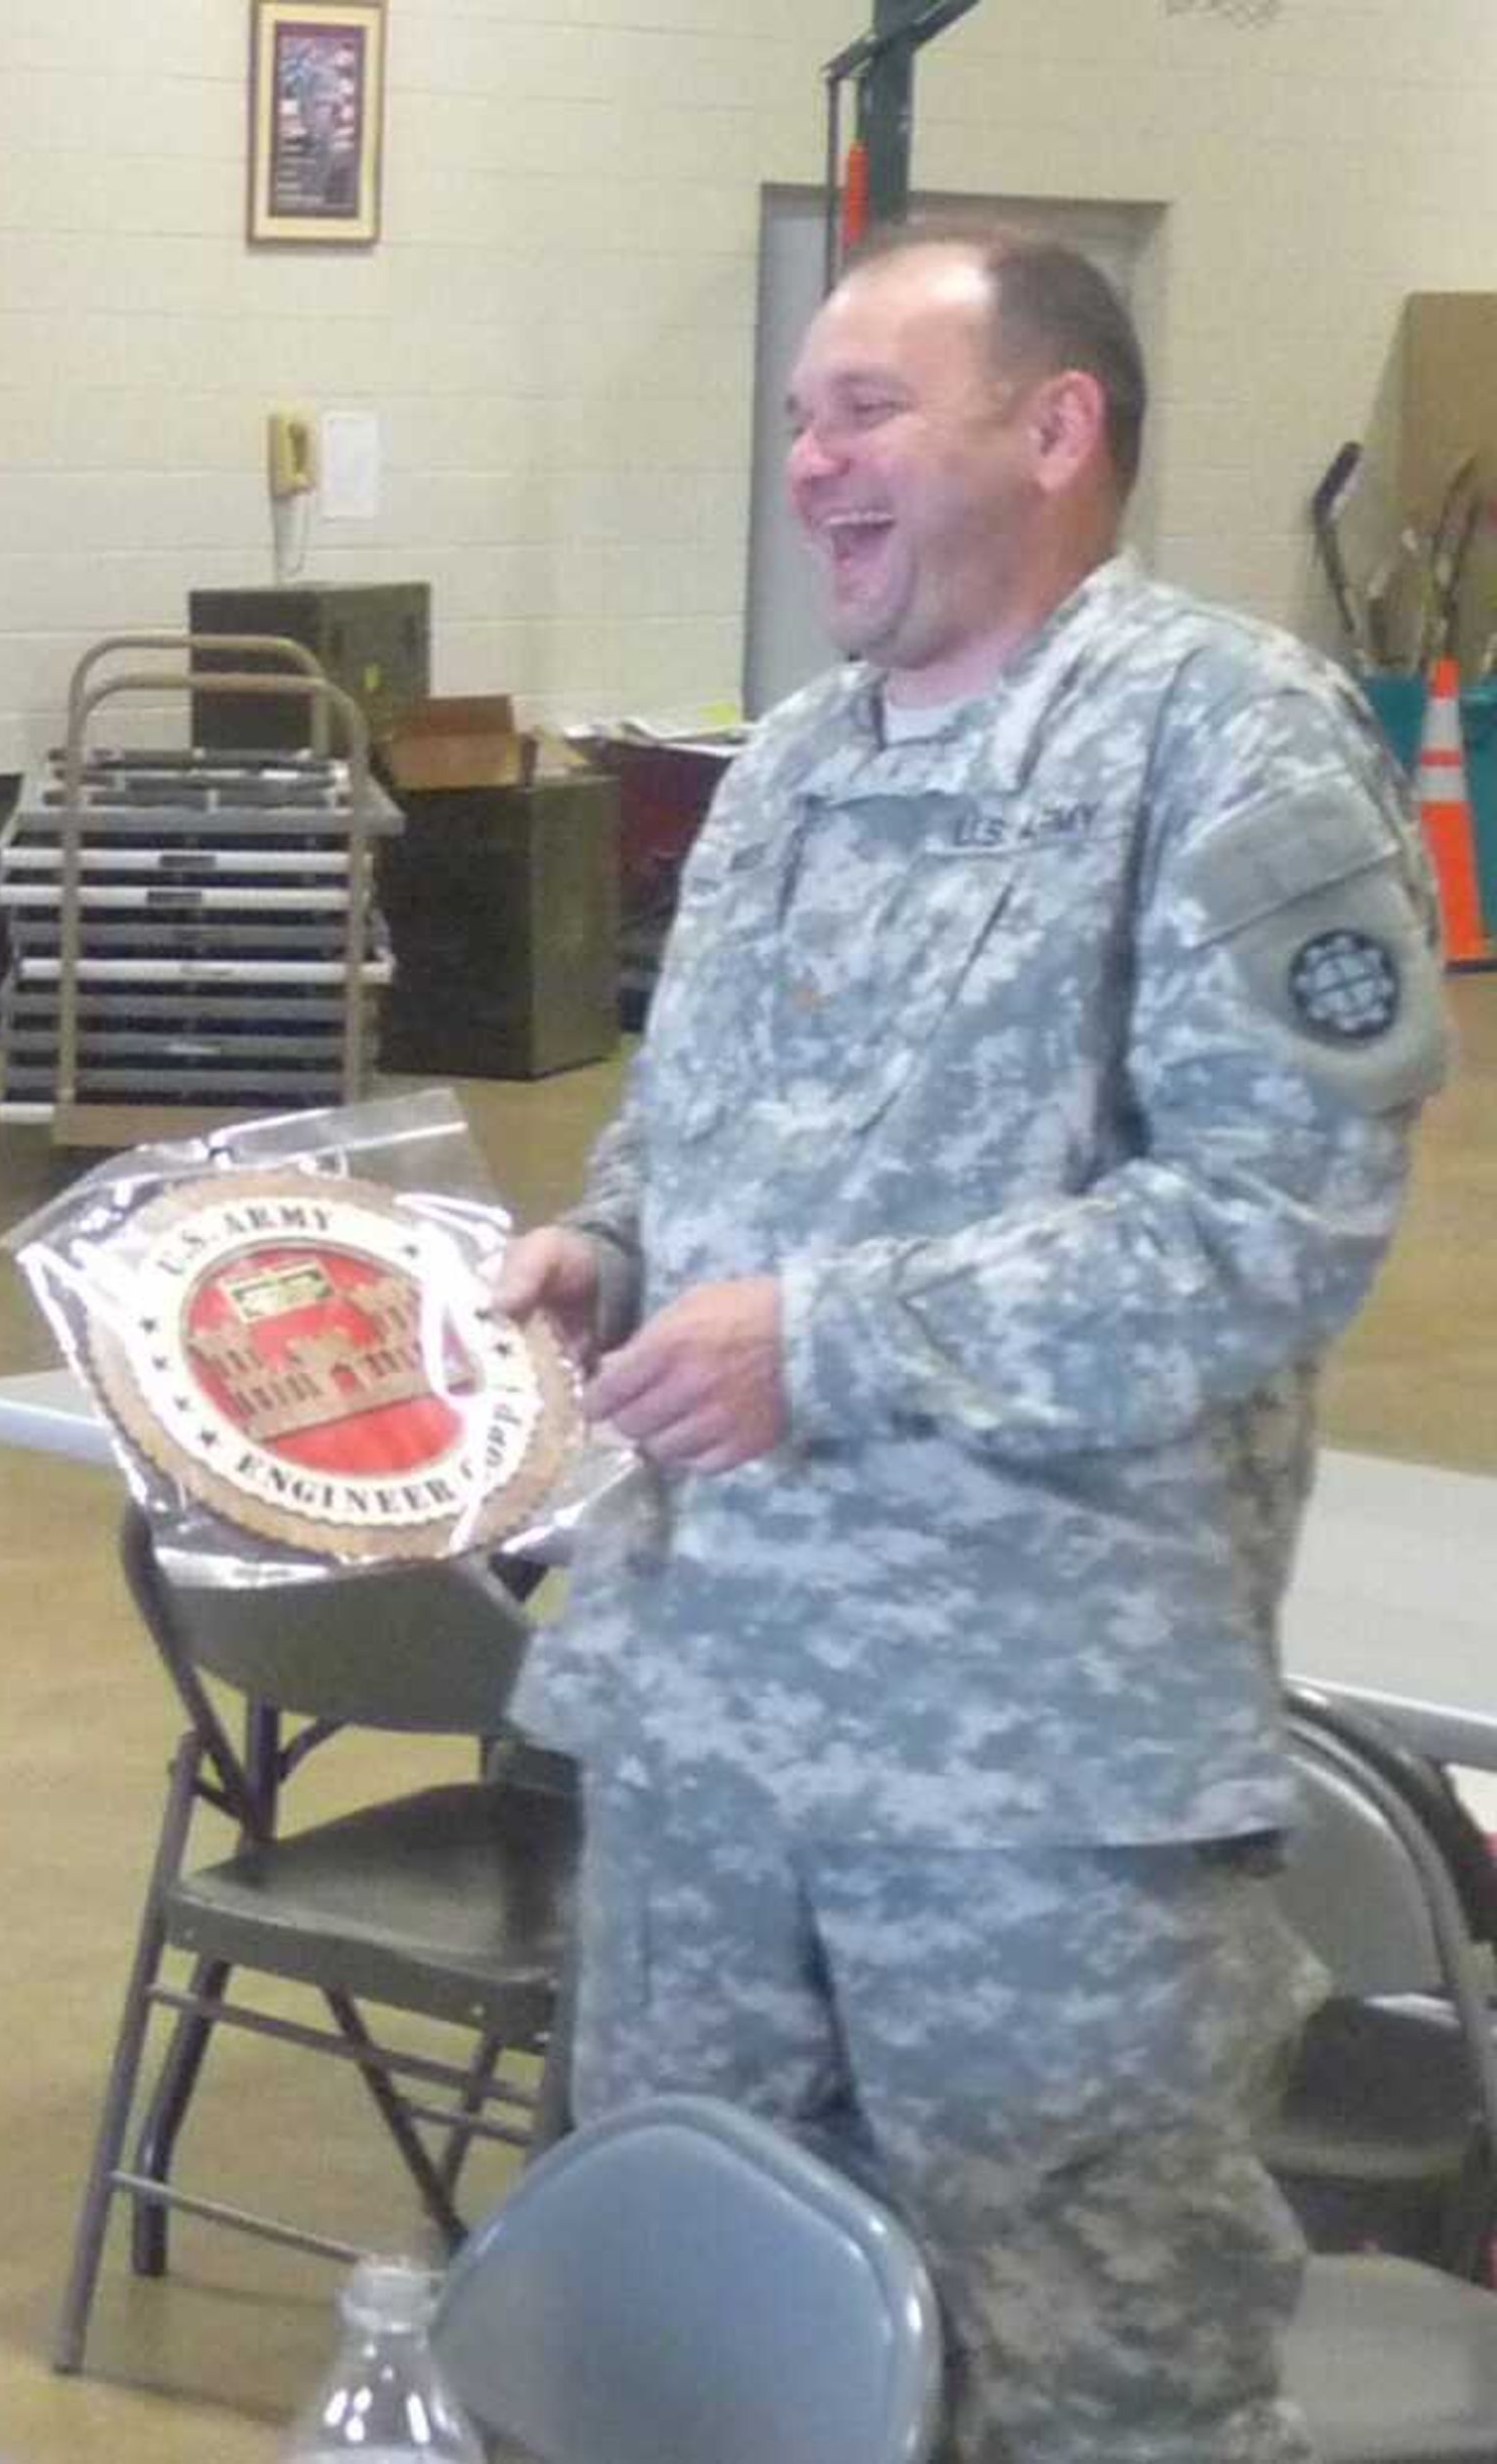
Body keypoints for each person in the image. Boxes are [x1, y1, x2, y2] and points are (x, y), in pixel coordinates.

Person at [494, 223, 1447, 2464]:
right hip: (706, 1739)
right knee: (689, 2359)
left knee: (1087, 2384)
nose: (811, 462)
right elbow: (695, 1128)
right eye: (804, 414)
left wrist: (824, 1340)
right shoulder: (796, 761)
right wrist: (606, 1249)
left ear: (1058, 425)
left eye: (868, 411)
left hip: (1031, 1796)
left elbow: (1272, 1223)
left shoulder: (1235, 750)